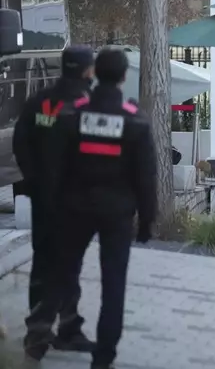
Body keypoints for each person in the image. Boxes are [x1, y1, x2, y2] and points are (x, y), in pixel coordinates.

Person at [23, 47, 158, 369]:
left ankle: (36, 343)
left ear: (95, 73)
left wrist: (52, 206)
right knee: (114, 286)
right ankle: (103, 358)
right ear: (125, 76)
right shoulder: (135, 120)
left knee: (59, 275)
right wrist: (146, 222)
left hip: (73, 209)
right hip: (117, 214)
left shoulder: (72, 115)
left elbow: (55, 168)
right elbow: (146, 177)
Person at [12, 46, 96, 353]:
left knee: (43, 263)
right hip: (76, 203)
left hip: (44, 200)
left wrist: (33, 181)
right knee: (69, 265)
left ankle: (41, 330)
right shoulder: (89, 105)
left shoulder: (40, 101)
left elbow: (20, 141)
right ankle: (60, 329)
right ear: (88, 71)